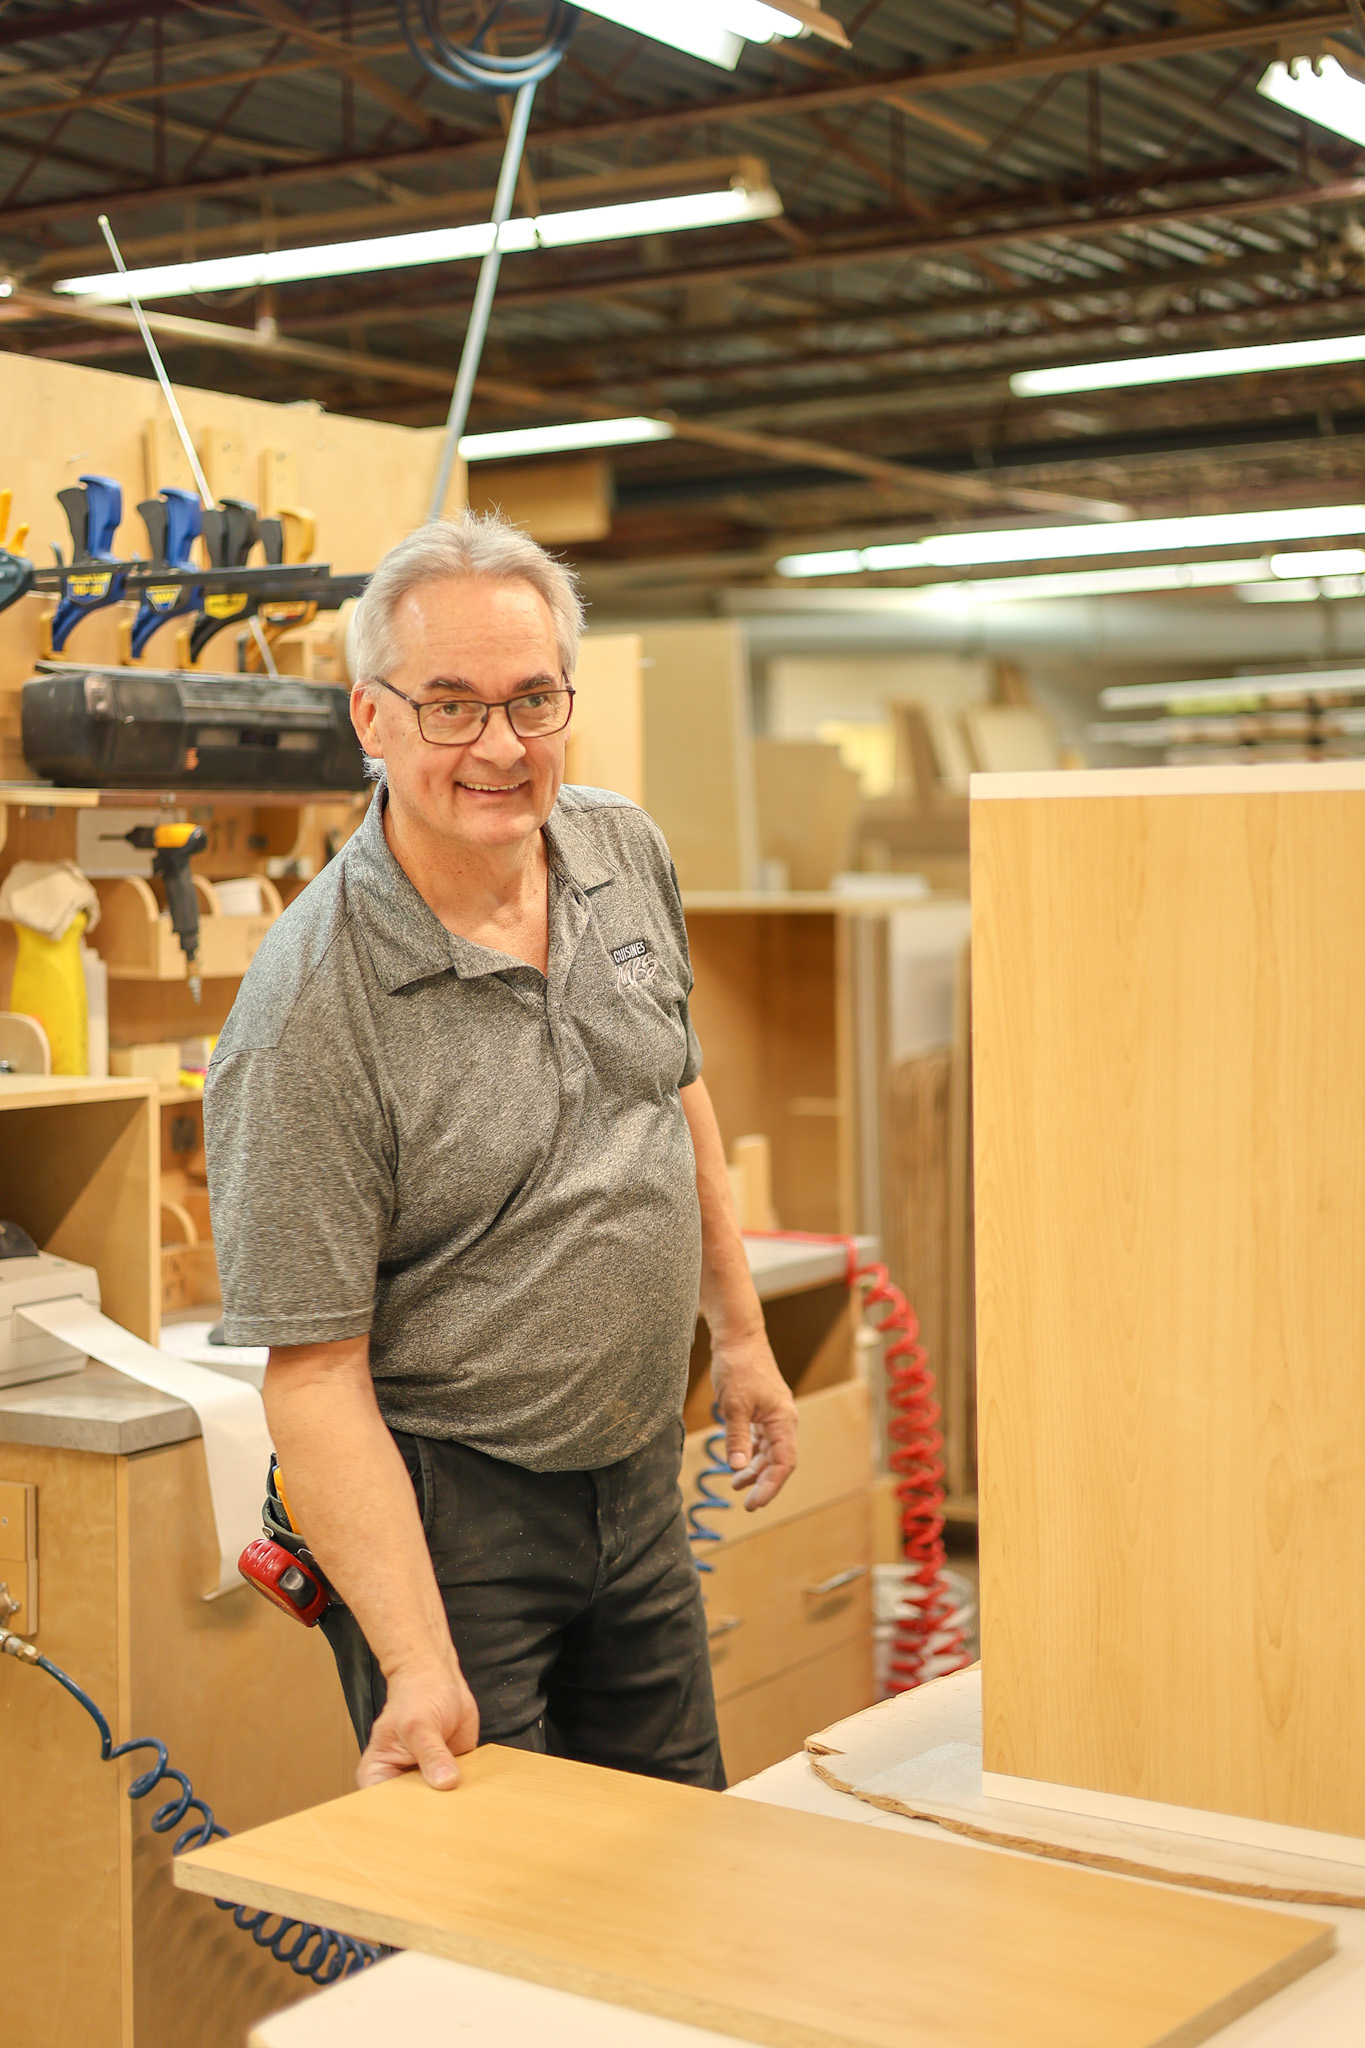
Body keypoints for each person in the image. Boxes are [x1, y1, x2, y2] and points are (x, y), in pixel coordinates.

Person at [204, 512, 798, 1795]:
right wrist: (418, 1659)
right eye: (453, 706)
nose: (501, 747)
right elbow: (310, 1374)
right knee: (493, 1919)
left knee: (675, 1850)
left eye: (533, 701)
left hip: (639, 1471)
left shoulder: (620, 848)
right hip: (451, 1518)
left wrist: (739, 1336)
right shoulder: (312, 1004)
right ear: (371, 717)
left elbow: (670, 1086)